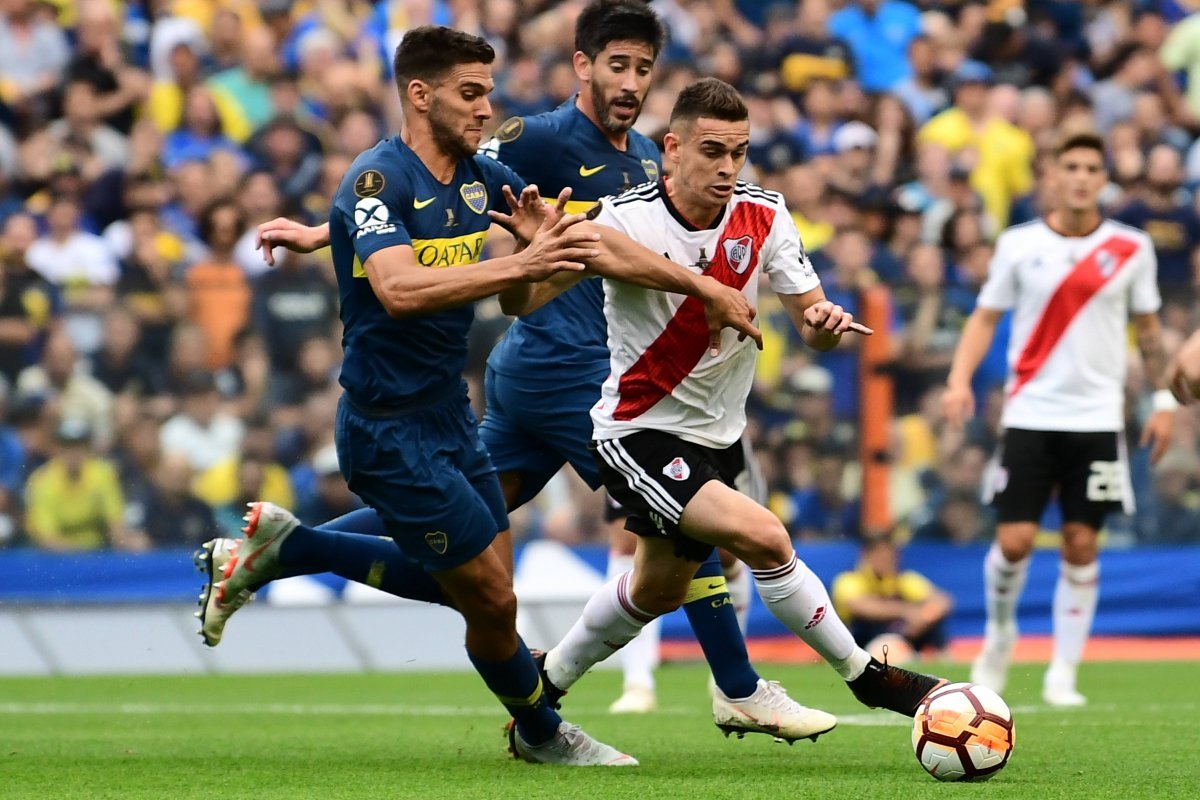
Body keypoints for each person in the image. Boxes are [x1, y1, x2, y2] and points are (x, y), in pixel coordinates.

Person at [215, 0, 812, 741]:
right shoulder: (534, 136)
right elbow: (423, 181)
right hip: (568, 368)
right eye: (615, 65)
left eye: (643, 69)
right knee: (682, 513)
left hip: (541, 371)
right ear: (582, 66)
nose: (629, 82)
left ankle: (286, 547)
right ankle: (739, 685)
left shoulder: (655, 164)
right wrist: (323, 231)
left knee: (468, 534)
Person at [522, 78, 944, 734]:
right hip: (639, 430)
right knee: (765, 538)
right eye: (712, 150)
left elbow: (809, 320)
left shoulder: (766, 214)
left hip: (717, 436)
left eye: (738, 153)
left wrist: (824, 325)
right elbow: (518, 304)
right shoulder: (622, 218)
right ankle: (868, 676)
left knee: (657, 589)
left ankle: (540, 685)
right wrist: (533, 258)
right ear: (673, 148)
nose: (726, 167)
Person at [941, 131, 1175, 707]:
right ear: (1051, 176)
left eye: (1091, 167)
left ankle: (1063, 670)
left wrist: (1165, 403)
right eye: (1069, 165)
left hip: (1098, 418)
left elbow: (1149, 335)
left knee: (1080, 543)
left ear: (1104, 179)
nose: (1080, 176)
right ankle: (999, 638)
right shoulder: (1019, 245)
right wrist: (957, 379)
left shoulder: (1131, 248)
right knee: (1016, 541)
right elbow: (983, 319)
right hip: (1031, 413)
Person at [831, 536, 952, 660]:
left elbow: (942, 601)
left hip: (903, 634)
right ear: (866, 556)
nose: (885, 560)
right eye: (879, 555)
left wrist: (924, 617)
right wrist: (905, 611)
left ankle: (942, 657)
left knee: (934, 623)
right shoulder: (849, 579)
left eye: (889, 556)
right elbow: (860, 607)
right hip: (862, 639)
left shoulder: (903, 579)